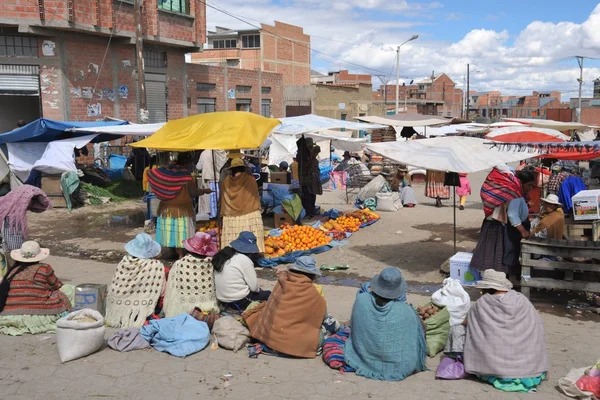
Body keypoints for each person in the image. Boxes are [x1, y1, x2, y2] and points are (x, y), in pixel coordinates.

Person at [464, 269, 548, 393]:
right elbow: (536, 325)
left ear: (487, 289)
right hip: (528, 364)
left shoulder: (482, 303)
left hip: (494, 364)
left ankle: (495, 370)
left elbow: (468, 322)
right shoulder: (522, 300)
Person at [341, 267, 427, 380]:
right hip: (401, 366)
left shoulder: (361, 300)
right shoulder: (406, 311)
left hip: (363, 357)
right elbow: (419, 335)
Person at [244, 255, 327, 359]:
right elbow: (322, 316)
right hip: (292, 345)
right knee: (321, 334)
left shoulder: (282, 282)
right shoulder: (313, 293)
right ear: (312, 275)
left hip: (269, 339)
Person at [471, 166, 536, 278]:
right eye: (529, 185)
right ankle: (497, 281)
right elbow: (512, 214)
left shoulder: (517, 192)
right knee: (500, 258)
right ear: (522, 183)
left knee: (493, 256)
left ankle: (493, 280)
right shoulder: (515, 193)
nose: (531, 188)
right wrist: (523, 232)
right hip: (501, 228)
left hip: (497, 225)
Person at [0, 241, 74, 335]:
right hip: (35, 313)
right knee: (68, 289)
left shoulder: (12, 272)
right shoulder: (44, 268)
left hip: (9, 314)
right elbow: (57, 285)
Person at [148, 153, 212, 259]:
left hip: (166, 209)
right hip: (182, 210)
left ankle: (172, 251)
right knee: (180, 234)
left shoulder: (166, 173)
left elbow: (152, 174)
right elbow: (192, 193)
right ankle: (181, 255)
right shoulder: (187, 177)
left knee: (171, 231)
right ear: (186, 163)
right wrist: (204, 191)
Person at [105, 233, 166, 328]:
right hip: (142, 310)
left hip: (118, 308)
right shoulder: (155, 266)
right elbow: (162, 293)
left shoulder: (124, 262)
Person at [163, 232, 219, 318]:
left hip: (181, 312)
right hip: (206, 314)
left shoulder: (179, 264)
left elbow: (171, 288)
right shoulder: (211, 265)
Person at [213, 231, 270, 311]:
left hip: (222, 300)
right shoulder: (245, 260)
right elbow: (254, 288)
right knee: (268, 294)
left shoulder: (224, 256)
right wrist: (259, 290)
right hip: (239, 301)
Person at [0, 185, 52, 267]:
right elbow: (14, 247)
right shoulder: (13, 216)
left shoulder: (5, 204)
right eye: (33, 199)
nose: (32, 203)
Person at [219, 157, 264, 251]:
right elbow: (254, 195)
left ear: (231, 169)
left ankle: (231, 253)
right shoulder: (250, 179)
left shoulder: (226, 181)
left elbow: (223, 198)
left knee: (233, 237)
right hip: (250, 213)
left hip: (231, 216)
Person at [197, 150, 227, 219]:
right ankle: (218, 217)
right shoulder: (220, 153)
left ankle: (212, 217)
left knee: (209, 202)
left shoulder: (204, 153)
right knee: (218, 200)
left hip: (208, 179)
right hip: (218, 179)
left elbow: (198, 167)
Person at [301, 145, 323, 217]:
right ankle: (309, 211)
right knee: (309, 197)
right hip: (310, 181)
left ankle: (310, 211)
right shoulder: (310, 160)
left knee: (311, 196)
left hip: (312, 181)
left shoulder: (312, 160)